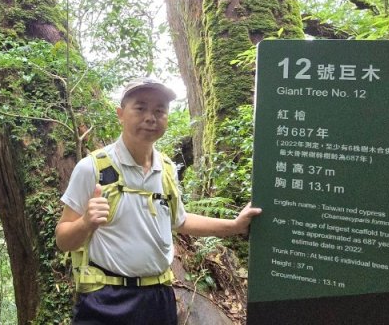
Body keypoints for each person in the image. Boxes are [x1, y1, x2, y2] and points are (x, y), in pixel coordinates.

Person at [56, 78, 262, 324]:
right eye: (140, 108)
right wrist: (86, 222)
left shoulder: (166, 169)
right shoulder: (92, 168)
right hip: (106, 299)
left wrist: (234, 226)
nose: (150, 117)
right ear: (120, 114)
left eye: (159, 110)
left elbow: (180, 220)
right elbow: (63, 239)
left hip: (159, 298)